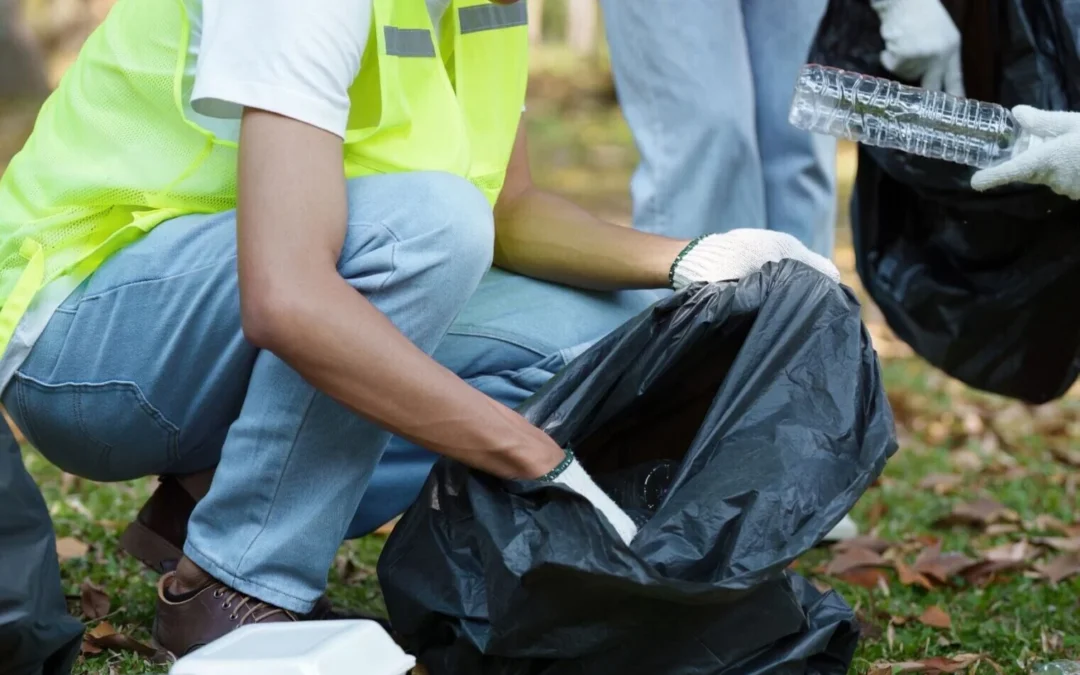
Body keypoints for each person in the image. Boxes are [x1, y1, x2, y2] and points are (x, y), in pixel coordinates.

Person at [0, 0, 841, 660]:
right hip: (85, 339)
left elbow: (510, 213)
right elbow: (287, 296)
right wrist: (531, 454)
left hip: (228, 312)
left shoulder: (485, 7)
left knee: (617, 341)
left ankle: (200, 503)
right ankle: (236, 585)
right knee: (429, 227)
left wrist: (699, 260)